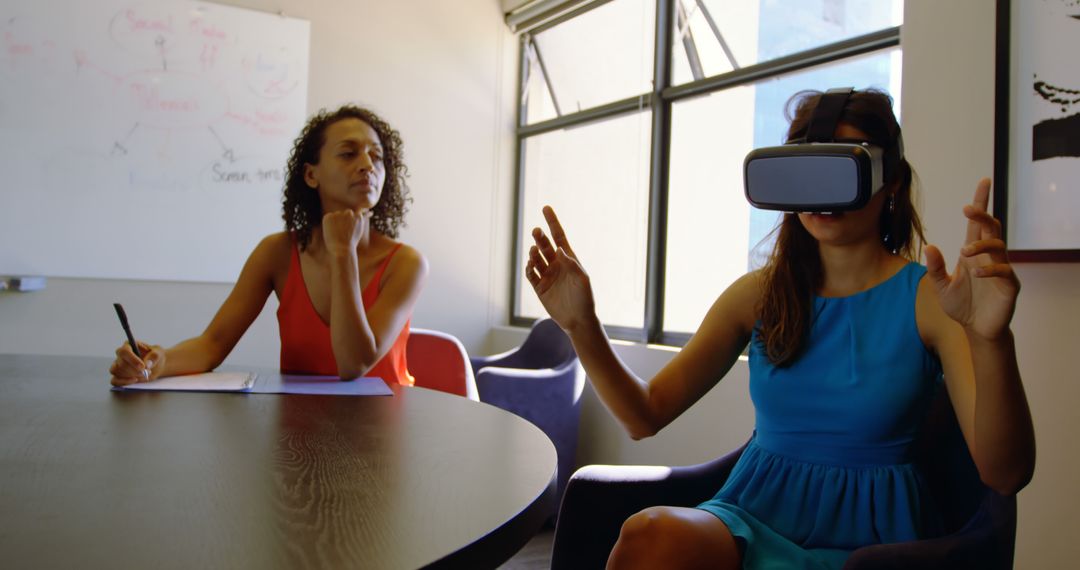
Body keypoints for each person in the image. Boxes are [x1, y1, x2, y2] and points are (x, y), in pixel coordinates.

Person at [524, 89, 1035, 569]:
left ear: (891, 179)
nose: (820, 191)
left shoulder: (931, 300)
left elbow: (1005, 474)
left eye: (843, 164)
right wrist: (582, 326)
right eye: (805, 167)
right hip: (753, 516)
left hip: (873, 545)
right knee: (649, 536)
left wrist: (992, 339)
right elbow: (644, 414)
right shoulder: (757, 295)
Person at [109, 105, 428, 386]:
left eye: (377, 156)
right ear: (311, 174)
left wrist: (343, 252)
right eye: (348, 153)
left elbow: (352, 364)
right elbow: (212, 344)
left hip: (380, 440)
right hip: (299, 438)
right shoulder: (276, 253)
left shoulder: (407, 264)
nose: (367, 165)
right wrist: (156, 362)